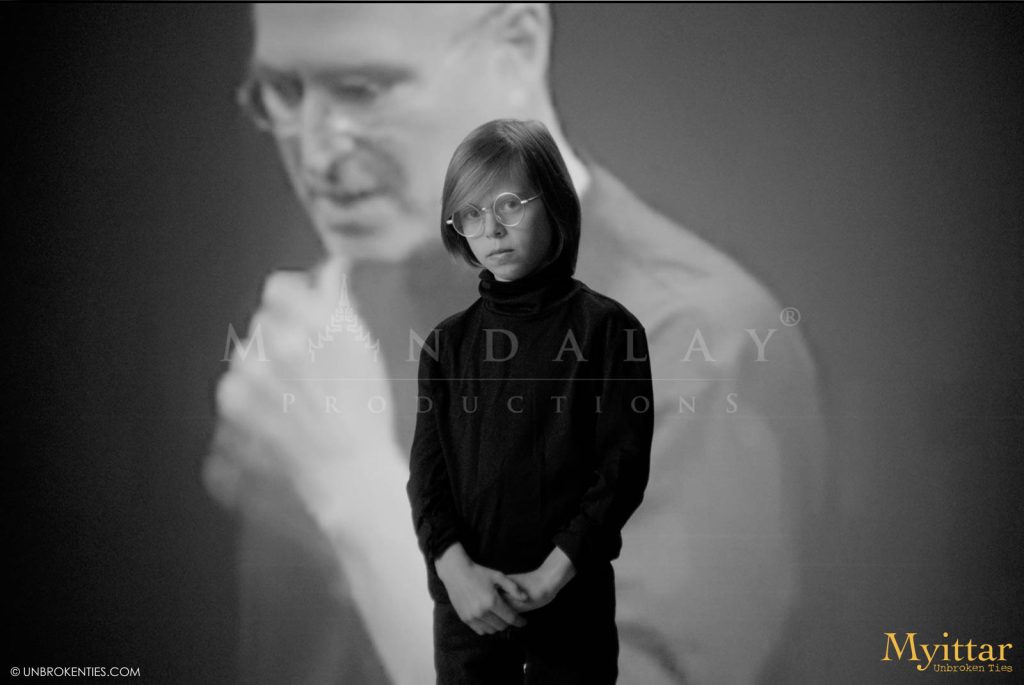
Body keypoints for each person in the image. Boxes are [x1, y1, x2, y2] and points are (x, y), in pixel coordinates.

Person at [204, 4, 825, 684]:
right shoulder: (331, 314)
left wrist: (348, 482)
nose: (317, 153)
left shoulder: (702, 343)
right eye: (283, 91)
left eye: (363, 90)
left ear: (517, 48)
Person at [407, 118, 654, 683]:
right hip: (470, 607)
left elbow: (620, 474)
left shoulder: (607, 331)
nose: (491, 228)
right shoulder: (447, 346)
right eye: (471, 213)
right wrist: (456, 574)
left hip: (570, 606)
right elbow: (428, 480)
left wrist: (551, 577)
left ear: (556, 203)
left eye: (510, 205)